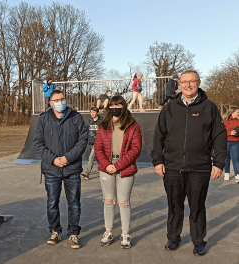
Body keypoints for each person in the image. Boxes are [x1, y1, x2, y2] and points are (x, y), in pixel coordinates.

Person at [151, 70, 227, 256]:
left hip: (199, 168)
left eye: (192, 81)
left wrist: (218, 162)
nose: (188, 85)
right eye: (184, 82)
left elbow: (219, 135)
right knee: (174, 205)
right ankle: (173, 237)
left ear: (198, 83)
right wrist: (157, 161)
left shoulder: (209, 107)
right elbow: (158, 136)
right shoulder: (169, 108)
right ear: (179, 85)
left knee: (197, 206)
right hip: (172, 167)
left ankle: (199, 241)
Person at [33, 90, 88, 249]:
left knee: (74, 204)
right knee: (52, 203)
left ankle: (73, 233)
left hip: (72, 169)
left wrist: (67, 158)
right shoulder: (43, 119)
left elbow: (82, 141)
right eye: (56, 100)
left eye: (61, 99)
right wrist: (53, 159)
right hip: (51, 170)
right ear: (50, 103)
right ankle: (55, 231)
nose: (59, 102)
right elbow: (38, 143)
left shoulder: (76, 117)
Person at [94, 95, 142, 249]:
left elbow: (136, 149)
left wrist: (118, 165)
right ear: (109, 107)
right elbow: (98, 147)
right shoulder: (103, 125)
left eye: (118, 105)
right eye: (112, 105)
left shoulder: (133, 125)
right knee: (108, 201)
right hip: (106, 167)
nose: (115, 108)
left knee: (123, 202)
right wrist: (106, 164)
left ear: (123, 106)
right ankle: (108, 232)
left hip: (124, 167)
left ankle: (125, 234)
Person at [81, 107, 103, 180]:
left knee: (91, 157)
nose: (92, 114)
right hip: (91, 142)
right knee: (98, 158)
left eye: (94, 112)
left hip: (98, 143)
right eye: (91, 112)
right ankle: (103, 171)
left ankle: (86, 173)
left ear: (97, 112)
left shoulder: (101, 120)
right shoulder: (90, 121)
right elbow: (87, 129)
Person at [223, 106, 239, 182]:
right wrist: (230, 133)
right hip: (226, 141)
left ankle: (237, 175)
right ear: (232, 112)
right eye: (237, 112)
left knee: (236, 159)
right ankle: (226, 173)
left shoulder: (238, 121)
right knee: (226, 159)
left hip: (236, 142)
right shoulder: (225, 121)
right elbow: (221, 132)